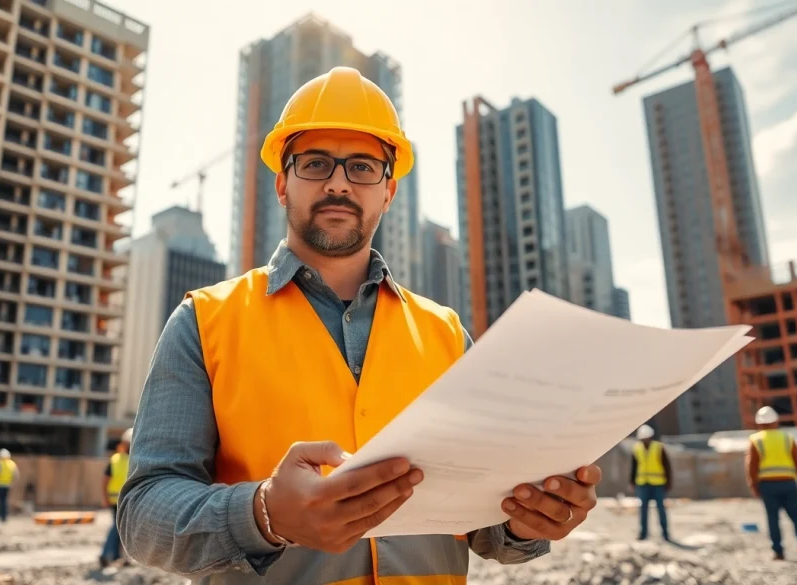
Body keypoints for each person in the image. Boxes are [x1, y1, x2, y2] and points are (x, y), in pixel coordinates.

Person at [116, 66, 603, 584]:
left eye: (363, 167)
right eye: (316, 163)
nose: (338, 183)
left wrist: (532, 520)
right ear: (282, 184)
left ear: (388, 191)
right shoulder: (205, 320)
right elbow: (144, 514)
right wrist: (264, 514)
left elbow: (490, 533)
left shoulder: (444, 333)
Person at [745, 406, 797, 563]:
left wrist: (753, 485)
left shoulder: (756, 440)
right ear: (775, 421)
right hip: (788, 483)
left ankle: (778, 551)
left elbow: (751, 466)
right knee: (796, 517)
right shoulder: (787, 438)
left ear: (760, 423)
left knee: (773, 518)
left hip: (768, 485)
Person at [629, 424, 670, 541]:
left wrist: (668, 483)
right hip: (642, 484)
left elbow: (667, 466)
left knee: (661, 509)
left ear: (650, 437)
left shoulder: (658, 447)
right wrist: (632, 482)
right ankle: (643, 534)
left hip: (658, 483)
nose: (644, 440)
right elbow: (634, 466)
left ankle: (665, 534)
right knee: (643, 509)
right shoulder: (636, 448)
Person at [100, 428, 132, 567]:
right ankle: (106, 555)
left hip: (121, 500)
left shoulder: (119, 459)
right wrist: (104, 497)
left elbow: (105, 480)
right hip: (121, 500)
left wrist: (105, 497)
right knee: (118, 528)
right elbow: (105, 480)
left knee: (121, 528)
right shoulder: (121, 460)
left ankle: (118, 556)